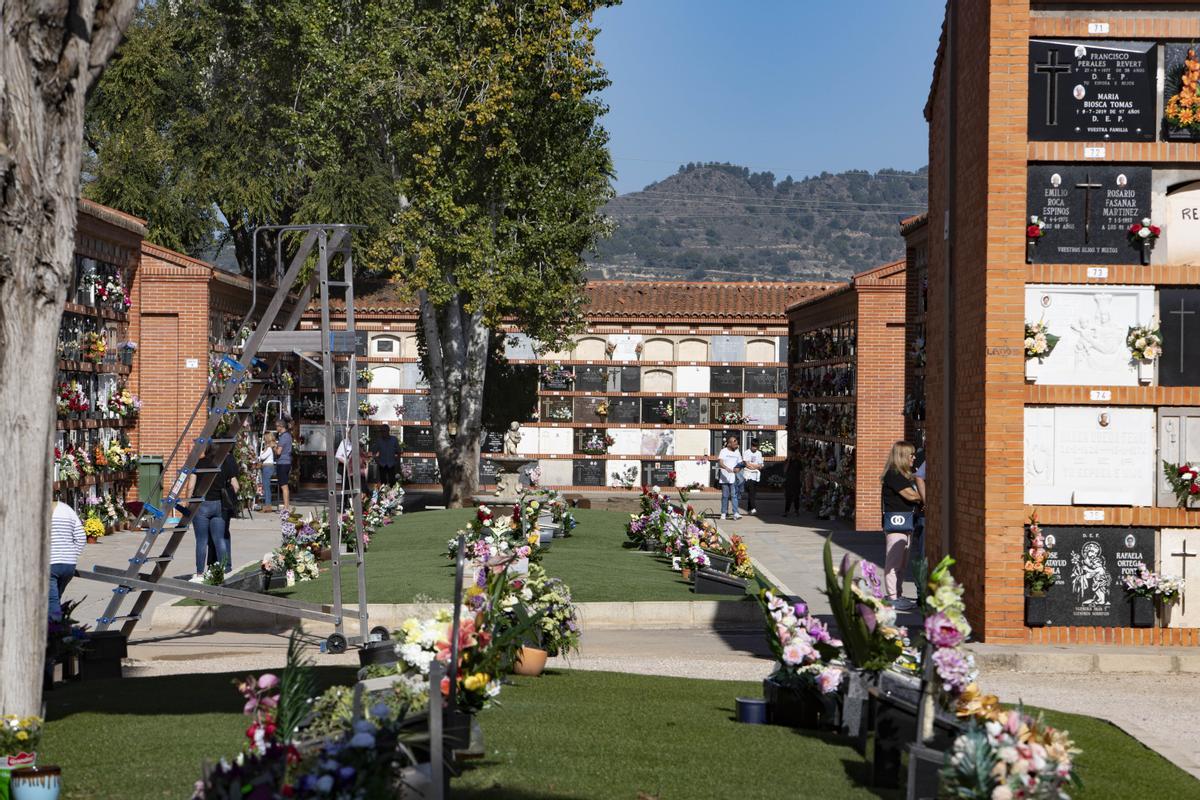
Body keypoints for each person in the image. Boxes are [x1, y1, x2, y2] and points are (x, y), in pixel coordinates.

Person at [187, 446, 239, 581]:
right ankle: (222, 570)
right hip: (219, 504)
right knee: (219, 539)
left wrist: (188, 502)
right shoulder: (224, 464)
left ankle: (199, 573)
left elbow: (191, 486)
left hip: (201, 505)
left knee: (202, 541)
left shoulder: (199, 463)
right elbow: (236, 486)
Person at [880, 440, 921, 610]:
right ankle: (892, 597)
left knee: (902, 562)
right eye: (911, 454)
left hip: (907, 523)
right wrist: (924, 495)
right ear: (903, 456)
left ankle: (898, 593)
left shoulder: (907, 474)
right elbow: (911, 496)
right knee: (894, 561)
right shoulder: (894, 474)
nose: (914, 457)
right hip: (897, 523)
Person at [49, 497, 86, 620]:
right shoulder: (67, 509)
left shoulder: (37, 510)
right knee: (55, 598)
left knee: (51, 601)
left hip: (49, 563)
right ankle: (56, 629)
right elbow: (81, 537)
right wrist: (70, 555)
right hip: (68, 564)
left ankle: (56, 632)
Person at [717, 436, 744, 520]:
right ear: (729, 444)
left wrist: (738, 468)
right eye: (734, 443)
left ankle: (736, 513)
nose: (736, 445)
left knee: (734, 496)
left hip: (734, 478)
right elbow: (720, 462)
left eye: (737, 443)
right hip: (724, 477)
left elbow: (741, 463)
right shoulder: (723, 451)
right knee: (725, 496)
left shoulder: (737, 452)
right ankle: (724, 513)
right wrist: (726, 468)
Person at [273, 417, 293, 511]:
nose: (276, 428)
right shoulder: (288, 436)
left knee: (284, 485)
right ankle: (286, 505)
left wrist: (273, 447)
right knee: (284, 484)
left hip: (282, 462)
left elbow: (278, 452)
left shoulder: (284, 437)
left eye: (277, 426)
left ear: (281, 426)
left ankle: (286, 506)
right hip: (287, 462)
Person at [257, 432, 277, 512]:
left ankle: (268, 505)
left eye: (265, 438)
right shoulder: (268, 448)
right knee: (266, 487)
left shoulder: (268, 448)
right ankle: (267, 505)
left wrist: (261, 452)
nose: (264, 439)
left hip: (267, 467)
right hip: (266, 467)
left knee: (266, 487)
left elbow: (262, 456)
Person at [743, 440, 764, 514]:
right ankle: (753, 508)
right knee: (751, 492)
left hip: (756, 476)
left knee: (752, 493)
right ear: (751, 445)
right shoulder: (747, 452)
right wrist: (755, 466)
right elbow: (747, 464)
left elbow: (761, 465)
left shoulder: (759, 453)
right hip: (748, 475)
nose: (755, 448)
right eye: (753, 446)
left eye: (756, 447)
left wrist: (754, 466)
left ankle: (749, 509)